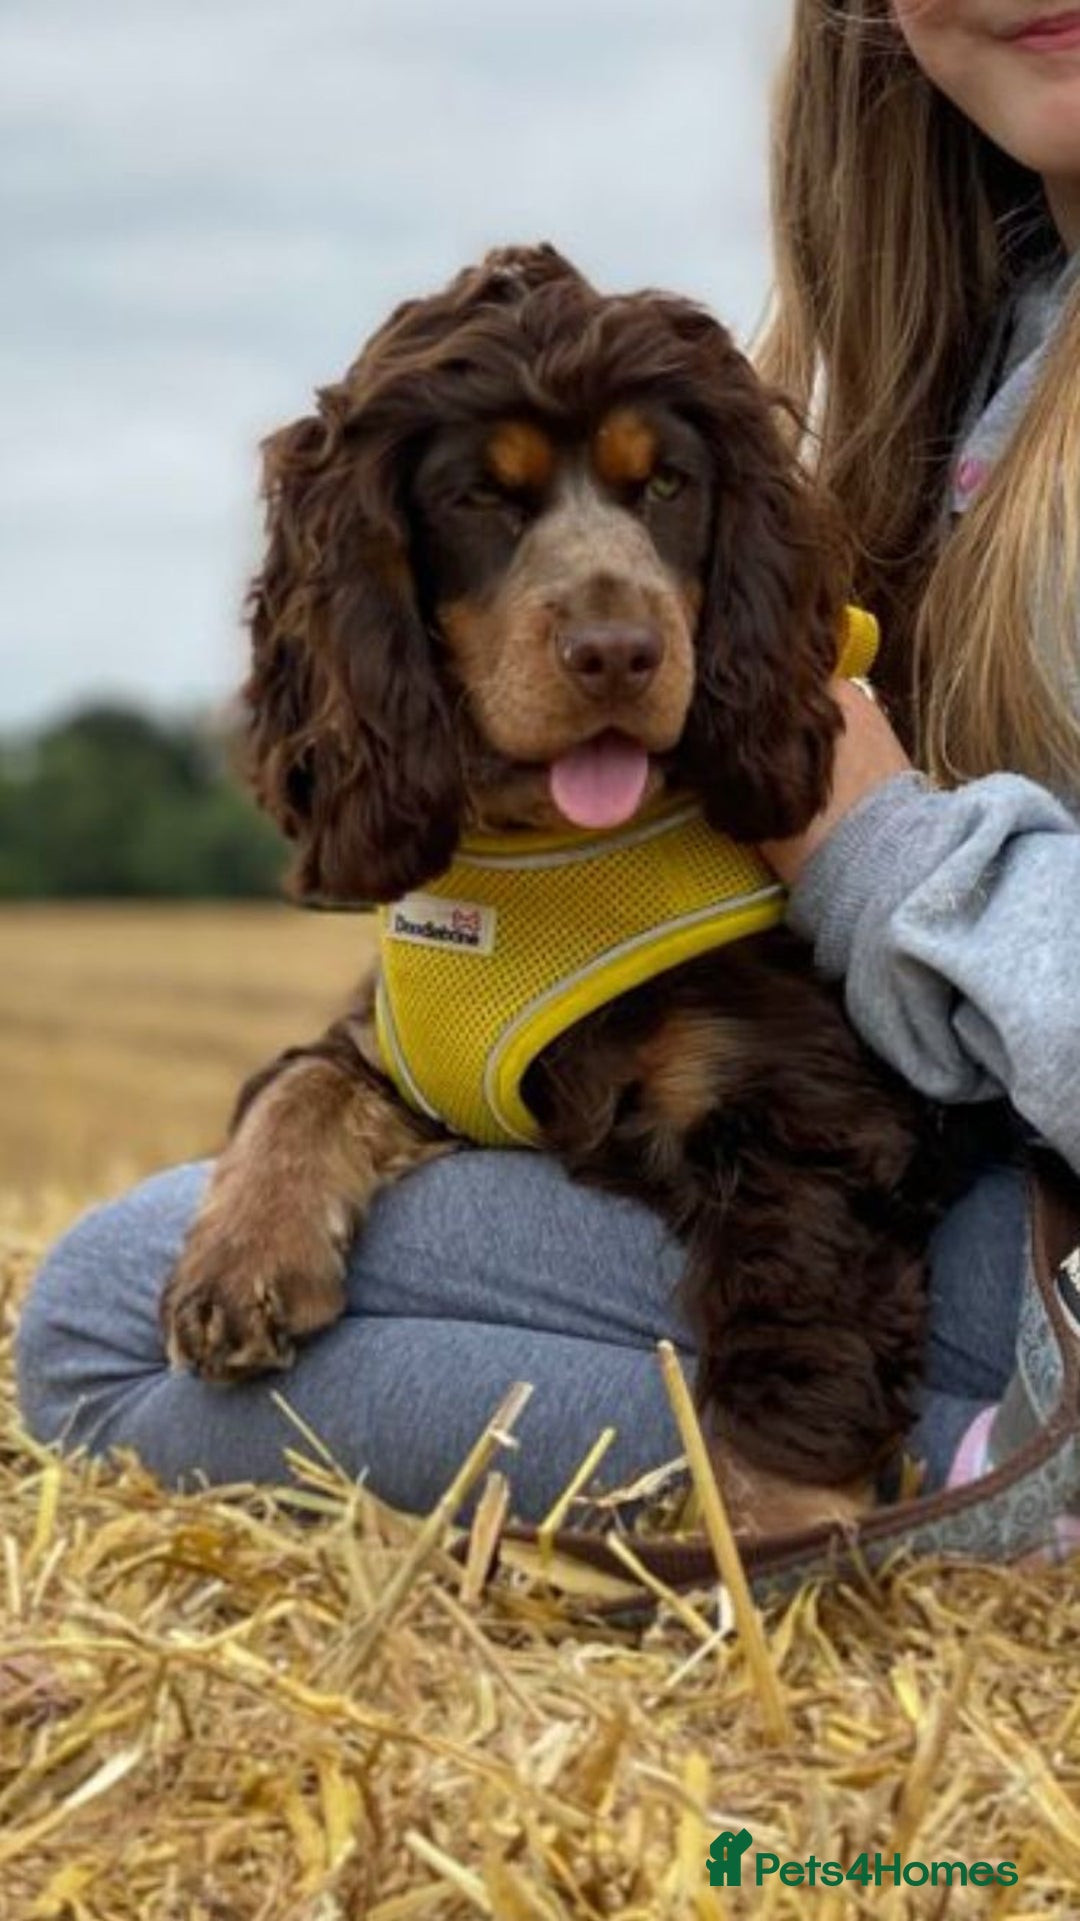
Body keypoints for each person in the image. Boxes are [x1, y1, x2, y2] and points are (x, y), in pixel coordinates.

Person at [15, 0, 1080, 1537]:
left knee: (111, 1318)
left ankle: (908, 1473)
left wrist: (873, 843)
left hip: (1003, 1269)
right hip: (970, 1219)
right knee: (159, 1281)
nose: (609, 620)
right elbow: (461, 1051)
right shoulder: (965, 356)